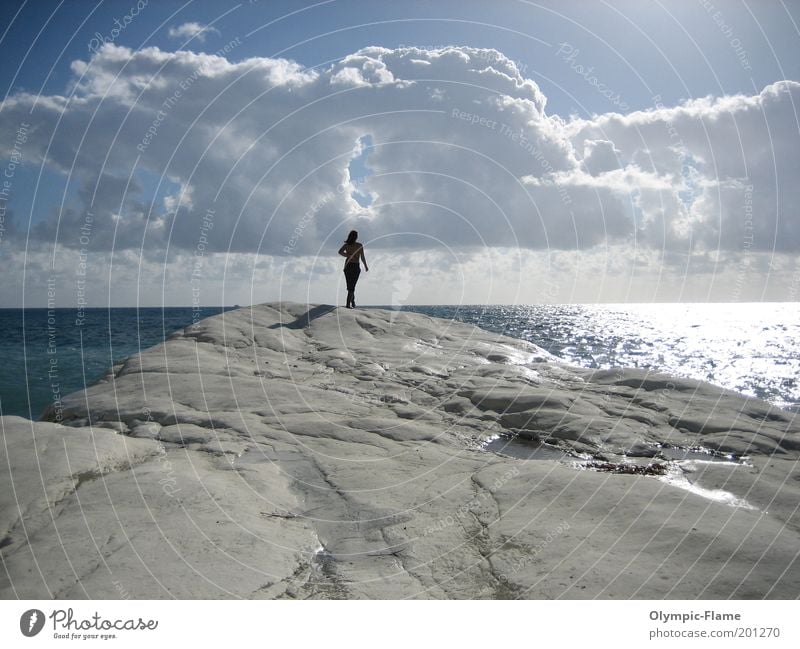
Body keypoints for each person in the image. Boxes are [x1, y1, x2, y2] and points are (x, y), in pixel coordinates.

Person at [338, 230, 368, 309]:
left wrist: (365, 266)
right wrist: (348, 255)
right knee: (350, 286)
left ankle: (352, 301)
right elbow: (340, 252)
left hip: (352, 266)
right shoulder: (347, 245)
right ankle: (348, 304)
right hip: (349, 267)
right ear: (356, 237)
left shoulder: (359, 245)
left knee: (351, 286)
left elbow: (362, 257)